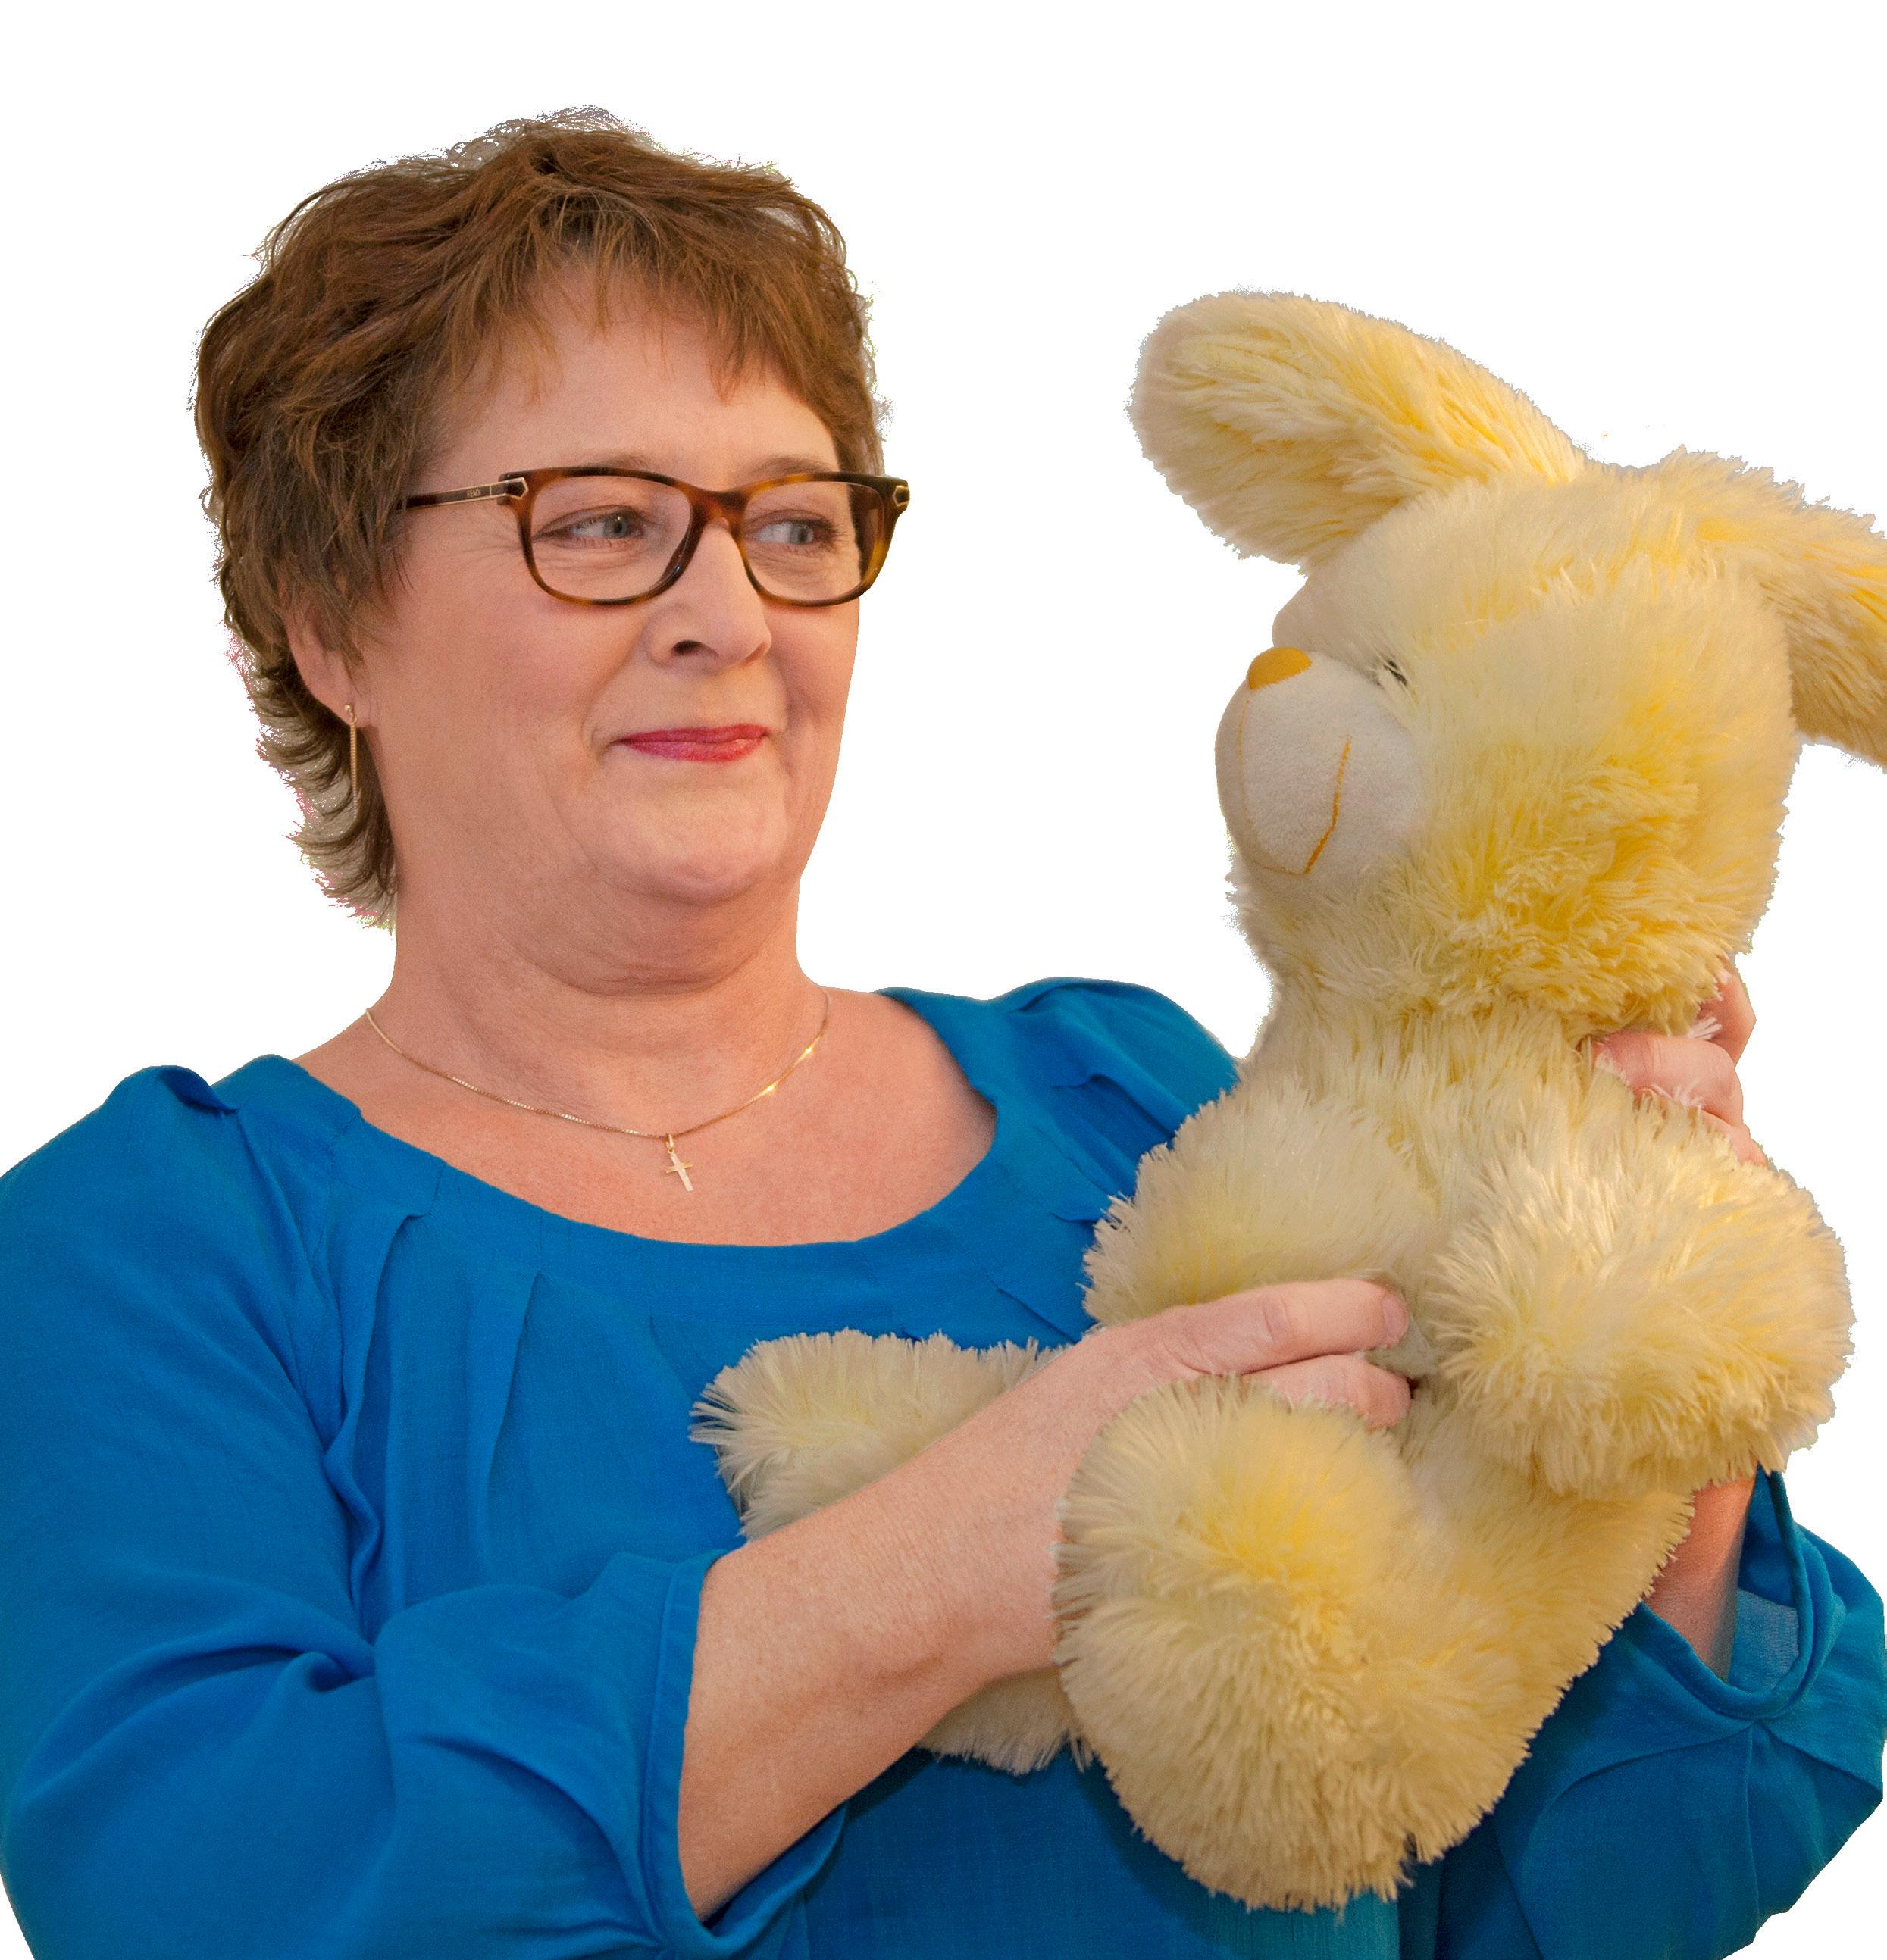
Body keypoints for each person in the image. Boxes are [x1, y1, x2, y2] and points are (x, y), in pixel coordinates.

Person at [0, 108, 1879, 1960]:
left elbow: (1516, 1896)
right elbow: (215, 1896)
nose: (730, 612)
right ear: (331, 622)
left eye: (793, 523)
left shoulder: (1134, 1102)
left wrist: (1642, 1411)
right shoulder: (153, 1249)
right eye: (603, 524)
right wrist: (946, 1566)